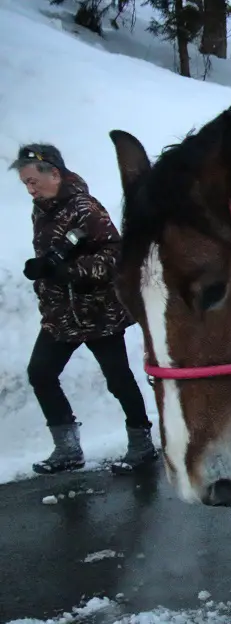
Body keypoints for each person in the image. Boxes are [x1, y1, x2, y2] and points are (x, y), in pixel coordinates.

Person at [11, 144, 157, 475]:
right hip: (61, 315)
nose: (30, 189)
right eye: (25, 184)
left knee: (118, 378)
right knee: (41, 373)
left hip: (97, 313)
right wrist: (44, 269)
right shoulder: (43, 210)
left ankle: (142, 444)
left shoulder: (85, 209)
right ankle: (67, 448)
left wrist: (69, 271)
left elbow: (115, 255)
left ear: (55, 174)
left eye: (33, 181)